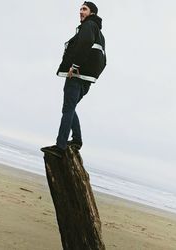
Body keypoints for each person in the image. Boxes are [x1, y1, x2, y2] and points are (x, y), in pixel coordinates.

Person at [41, 1, 106, 158]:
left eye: (84, 9)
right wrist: (91, 76)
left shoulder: (89, 26)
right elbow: (104, 61)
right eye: (80, 9)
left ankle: (60, 146)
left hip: (76, 76)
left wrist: (75, 66)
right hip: (86, 79)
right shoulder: (99, 34)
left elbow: (84, 42)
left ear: (92, 13)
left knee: (68, 109)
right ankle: (77, 140)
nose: (80, 12)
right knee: (70, 108)